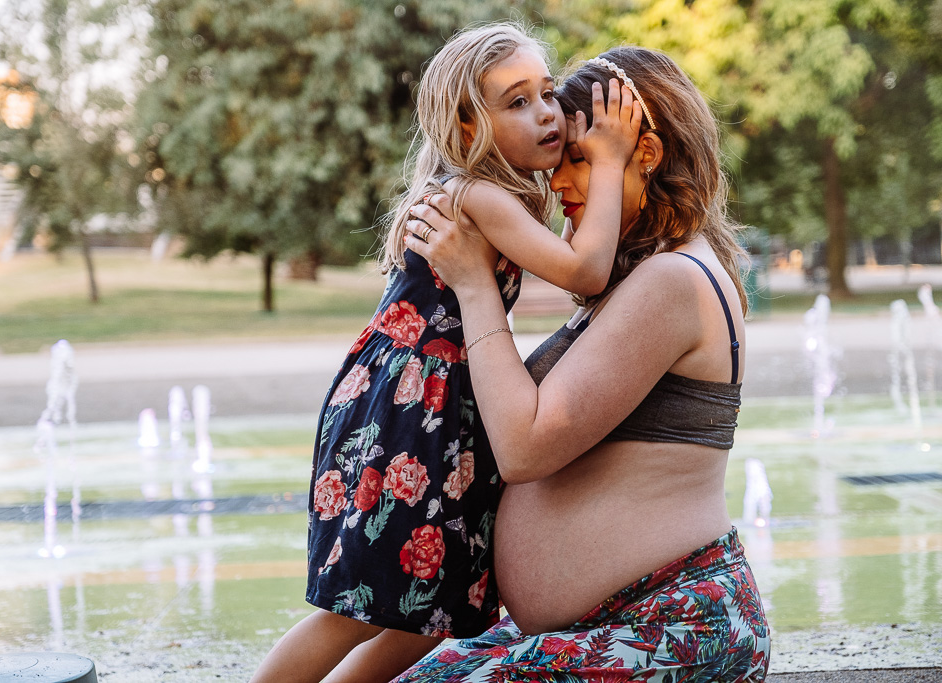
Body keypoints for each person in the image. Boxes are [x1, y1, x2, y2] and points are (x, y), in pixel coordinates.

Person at [248, 23, 643, 683]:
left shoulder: (496, 192)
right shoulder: (479, 195)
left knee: (438, 606)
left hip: (438, 407)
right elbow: (586, 270)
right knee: (360, 605)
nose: (547, 112)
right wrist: (607, 158)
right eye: (516, 101)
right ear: (467, 131)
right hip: (413, 410)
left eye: (546, 93)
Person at [396, 46, 771, 682]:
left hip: (666, 628)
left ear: (643, 156)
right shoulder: (645, 277)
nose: (559, 184)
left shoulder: (674, 280)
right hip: (613, 623)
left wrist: (475, 286)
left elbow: (524, 447)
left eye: (580, 161)